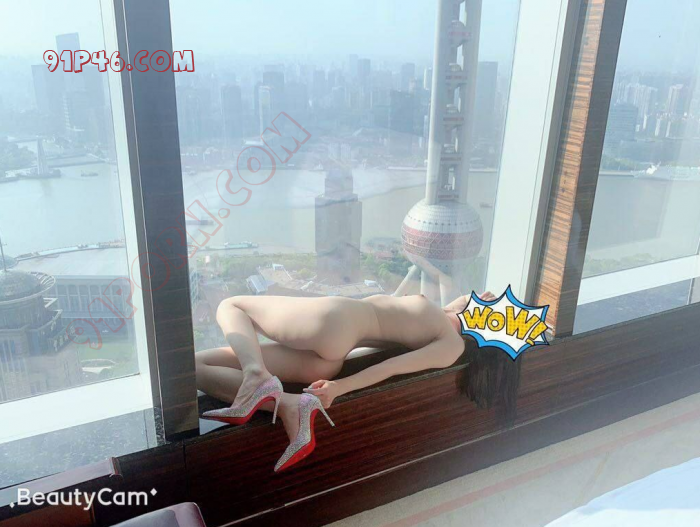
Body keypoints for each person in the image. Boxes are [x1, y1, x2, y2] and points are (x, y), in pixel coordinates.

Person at [196, 291, 519, 472]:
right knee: (197, 367)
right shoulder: (448, 333)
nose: (485, 299)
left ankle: (256, 375)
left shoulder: (449, 339)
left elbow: (391, 367)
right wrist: (336, 382)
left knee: (231, 305)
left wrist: (340, 389)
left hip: (336, 320)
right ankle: (290, 405)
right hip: (330, 359)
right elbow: (400, 356)